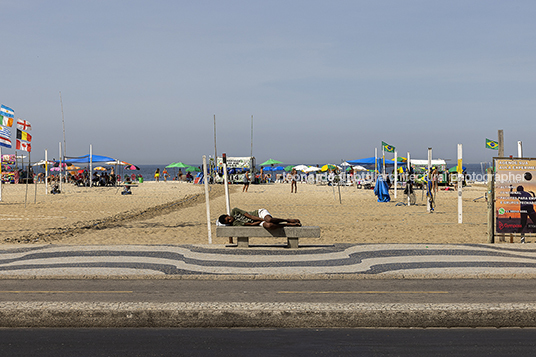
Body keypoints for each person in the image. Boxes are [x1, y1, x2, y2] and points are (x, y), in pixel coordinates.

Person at [218, 207, 301, 243]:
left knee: (269, 220)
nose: (230, 220)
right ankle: (287, 224)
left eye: (228, 218)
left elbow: (250, 216)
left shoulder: (234, 211)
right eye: (228, 222)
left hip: (259, 214)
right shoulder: (235, 224)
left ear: (227, 215)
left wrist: (262, 219)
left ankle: (287, 220)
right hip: (258, 222)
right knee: (269, 225)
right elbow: (250, 224)